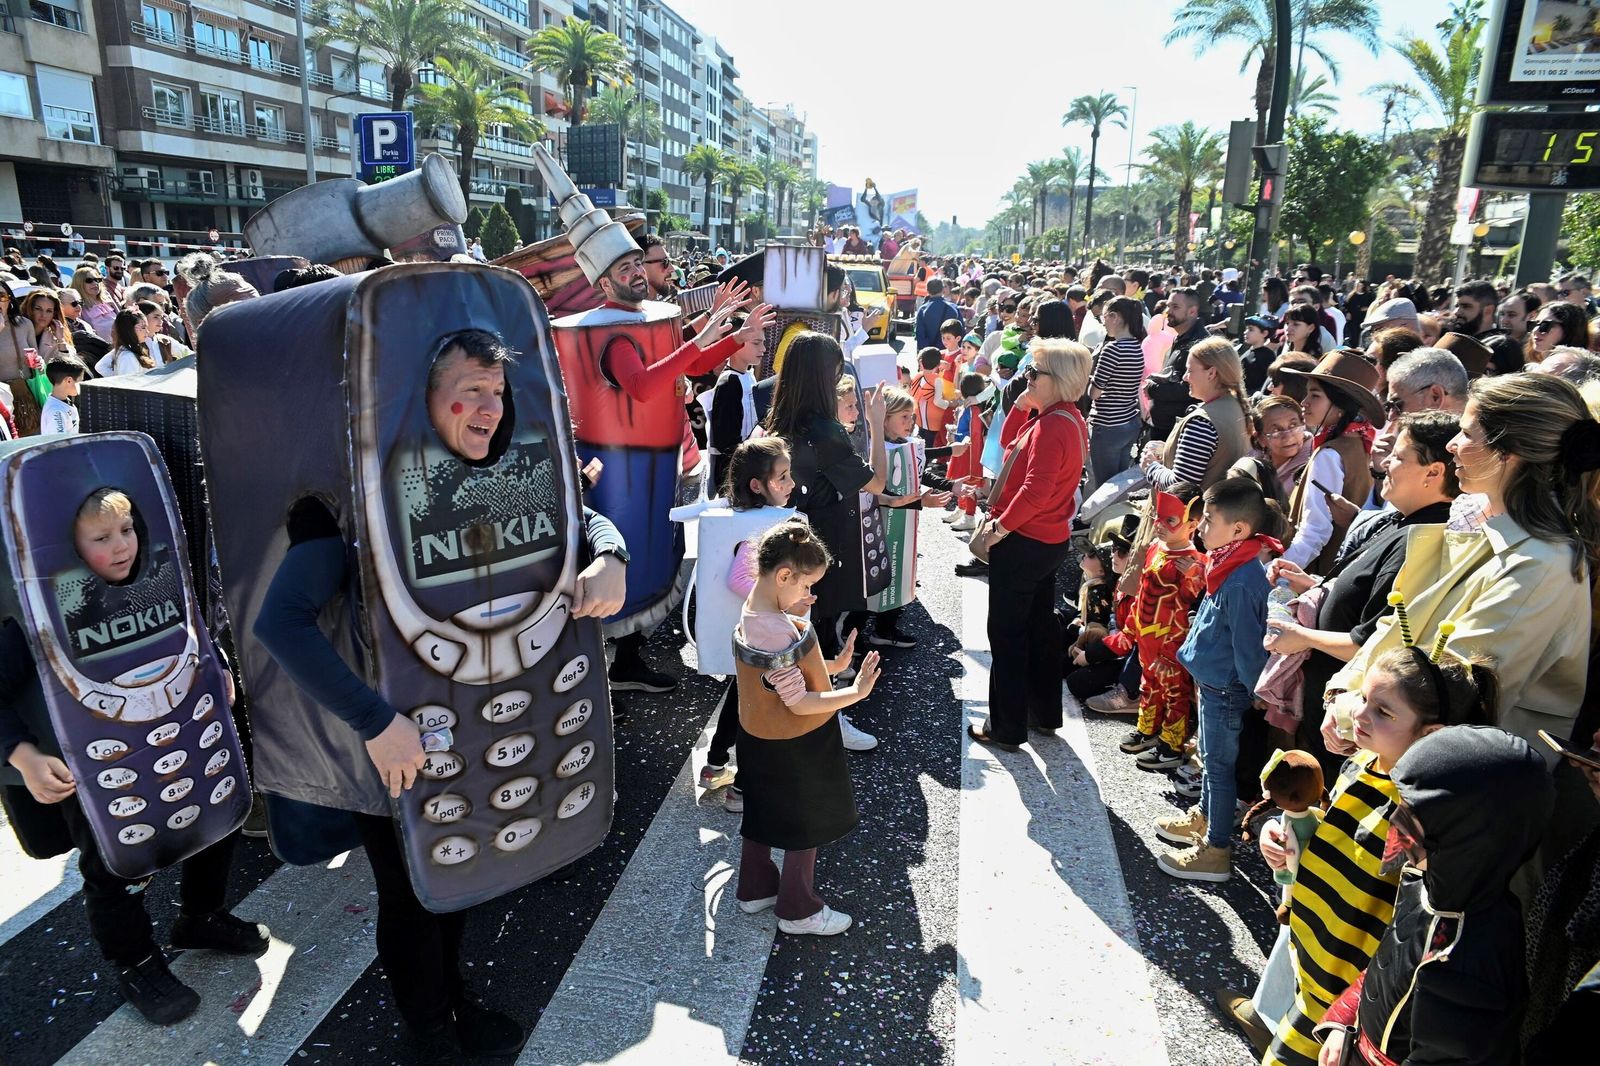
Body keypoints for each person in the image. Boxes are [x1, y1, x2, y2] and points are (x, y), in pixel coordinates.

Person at [254, 331, 629, 1058]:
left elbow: (581, 518)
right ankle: (427, 1028)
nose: (489, 408)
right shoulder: (368, 495)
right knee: (411, 891)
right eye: (472, 390)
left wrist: (610, 555)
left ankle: (451, 999)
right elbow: (281, 623)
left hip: (475, 725)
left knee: (461, 873)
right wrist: (374, 721)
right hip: (393, 737)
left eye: (498, 392)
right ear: (422, 400)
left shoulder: (512, 468)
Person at [1, 487, 267, 1025]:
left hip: (180, 736)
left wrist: (217, 668)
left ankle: (202, 915)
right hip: (92, 767)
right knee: (115, 867)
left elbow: (189, 628)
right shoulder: (37, 611)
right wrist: (22, 755)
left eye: (126, 531)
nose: (121, 547)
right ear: (70, 547)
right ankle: (135, 960)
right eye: (101, 539)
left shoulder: (156, 577)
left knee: (214, 823)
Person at [1325, 372, 1597, 763]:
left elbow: (1445, 688)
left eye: (1468, 434)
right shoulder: (1486, 529)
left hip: (1461, 787)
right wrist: (1342, 692)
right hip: (1409, 757)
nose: (1452, 445)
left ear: (1509, 452)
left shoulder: (1540, 563)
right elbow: (1402, 626)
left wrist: (1348, 713)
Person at [1249, 642, 1495, 1064]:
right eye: (1363, 698)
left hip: (1348, 1003)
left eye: (1384, 711)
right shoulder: (1363, 762)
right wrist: (1280, 833)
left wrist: (1353, 1014)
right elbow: (1332, 826)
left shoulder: (1417, 815)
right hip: (1313, 971)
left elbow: (1410, 928)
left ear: (1430, 733)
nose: (1359, 714)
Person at [1313, 727, 1553, 1066]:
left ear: (1467, 840)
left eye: (1414, 814)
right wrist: (1344, 1019)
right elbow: (1389, 963)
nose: (1396, 822)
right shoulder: (1423, 883)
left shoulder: (1468, 960)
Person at [1263, 412, 1460, 774]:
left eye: (1399, 457)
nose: (1386, 463)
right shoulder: (1402, 520)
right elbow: (1360, 590)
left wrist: (1302, 637)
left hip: (1352, 719)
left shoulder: (1423, 539)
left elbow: (1374, 641)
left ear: (1434, 473)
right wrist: (1313, 585)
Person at [731, 518, 881, 935]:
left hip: (757, 736)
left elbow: (778, 679)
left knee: (762, 812)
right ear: (783, 575)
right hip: (795, 743)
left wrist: (831, 666)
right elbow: (798, 703)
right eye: (804, 586)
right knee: (804, 821)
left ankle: (755, 888)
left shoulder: (755, 612)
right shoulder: (777, 630)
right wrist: (857, 692)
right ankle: (798, 910)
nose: (808, 596)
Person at [966, 339, 1090, 751]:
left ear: (1058, 380)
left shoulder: (1054, 423)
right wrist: (1022, 406)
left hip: (1025, 540)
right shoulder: (1064, 417)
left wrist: (1000, 528)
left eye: (1034, 373)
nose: (1027, 378)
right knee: (1037, 629)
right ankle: (1043, 713)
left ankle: (1006, 727)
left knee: (1007, 634)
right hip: (1047, 540)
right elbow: (1013, 447)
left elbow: (1034, 490)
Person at [1159, 475, 1284, 882]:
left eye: (1208, 519)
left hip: (1225, 687)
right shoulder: (1228, 561)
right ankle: (1206, 820)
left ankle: (1215, 850)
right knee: (1211, 761)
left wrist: (1256, 690)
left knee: (1217, 766)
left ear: (1238, 530)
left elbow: (1250, 647)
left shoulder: (1242, 577)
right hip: (1212, 681)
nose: (1200, 526)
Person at [700, 437, 798, 813]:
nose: (791, 484)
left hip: (750, 638)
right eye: (782, 477)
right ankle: (741, 787)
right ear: (757, 485)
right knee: (760, 710)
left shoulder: (753, 520)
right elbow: (739, 580)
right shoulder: (761, 529)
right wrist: (783, 600)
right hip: (763, 638)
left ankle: (716, 764)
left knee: (738, 699)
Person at [1099, 484, 1206, 769]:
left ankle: (1171, 746)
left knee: (1175, 694)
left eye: (1170, 520)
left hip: (1172, 643)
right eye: (1158, 517)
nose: (1159, 525)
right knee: (1149, 687)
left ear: (1192, 524)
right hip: (1147, 639)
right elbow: (1143, 595)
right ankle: (1148, 730)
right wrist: (1129, 632)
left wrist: (1197, 575)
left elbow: (1192, 606)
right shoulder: (1155, 549)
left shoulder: (1194, 563)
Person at [1280, 351, 1384, 572]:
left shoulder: (1330, 455)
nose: (1304, 402)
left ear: (1341, 406)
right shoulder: (1358, 443)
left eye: (1315, 396)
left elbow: (1315, 531)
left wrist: (1279, 570)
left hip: (1320, 569)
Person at [1140, 336, 1253, 492]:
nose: (1185, 377)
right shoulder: (1236, 406)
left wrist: (1150, 466)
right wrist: (1169, 451)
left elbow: (1180, 487)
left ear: (1211, 373)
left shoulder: (1203, 422)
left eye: (1190, 370)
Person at [1088, 295, 1148, 484]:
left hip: (1108, 425)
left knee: (1104, 485)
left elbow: (1094, 392)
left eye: (1104, 318)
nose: (1103, 323)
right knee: (1119, 483)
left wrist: (1086, 378)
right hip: (1129, 422)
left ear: (1116, 317)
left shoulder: (1112, 349)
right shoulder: (1137, 346)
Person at [1145, 287, 1210, 442]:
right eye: (1168, 306)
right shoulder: (1181, 337)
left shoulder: (1199, 344)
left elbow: (1191, 388)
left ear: (1192, 311)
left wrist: (1152, 389)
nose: (1168, 311)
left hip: (1176, 431)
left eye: (1175, 307)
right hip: (1163, 425)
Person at [1454, 279, 1524, 375]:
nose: (1457, 312)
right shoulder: (1455, 340)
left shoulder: (1502, 348)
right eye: (1457, 306)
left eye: (1466, 306)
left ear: (1488, 310)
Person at [0, 286, 39, 434]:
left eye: (1, 296)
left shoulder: (24, 325)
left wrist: (38, 363)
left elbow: (36, 355)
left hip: (24, 399)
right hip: (2, 402)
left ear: (9, 300)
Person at [95, 309, 159, 377]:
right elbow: (130, 385)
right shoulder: (127, 357)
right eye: (143, 327)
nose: (147, 331)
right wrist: (116, 379)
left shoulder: (126, 350)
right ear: (129, 330)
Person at [58, 285, 109, 364]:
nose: (79, 306)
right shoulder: (59, 326)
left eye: (80, 303)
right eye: (74, 304)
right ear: (60, 306)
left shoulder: (84, 324)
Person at [38, 356, 85, 436]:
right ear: (69, 380)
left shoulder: (64, 401)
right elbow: (59, 443)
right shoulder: (56, 412)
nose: (81, 385)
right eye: (80, 381)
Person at [915, 277, 964, 352]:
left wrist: (926, 352)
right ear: (942, 290)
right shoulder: (953, 308)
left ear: (927, 290)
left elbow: (920, 335)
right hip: (949, 351)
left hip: (928, 354)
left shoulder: (923, 310)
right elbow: (961, 331)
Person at [71, 266, 117, 341]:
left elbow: (122, 320)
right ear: (79, 283)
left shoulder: (106, 299)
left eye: (97, 280)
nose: (95, 283)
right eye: (89, 280)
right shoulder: (78, 307)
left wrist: (113, 304)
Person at [1239, 315, 1280, 396]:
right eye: (1246, 329)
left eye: (1251, 329)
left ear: (1264, 333)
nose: (1245, 332)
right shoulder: (1248, 351)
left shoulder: (1267, 356)